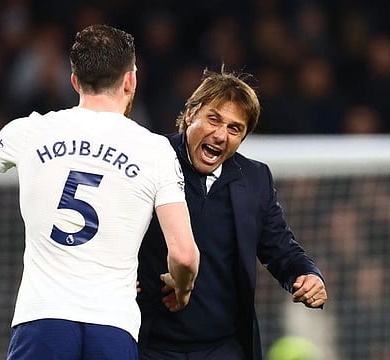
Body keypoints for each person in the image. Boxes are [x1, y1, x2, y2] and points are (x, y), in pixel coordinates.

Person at [0, 24, 200, 360]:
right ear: (130, 81)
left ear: (74, 81)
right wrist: (182, 288)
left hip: (41, 321)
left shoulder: (30, 131)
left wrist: (9, 152)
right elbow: (184, 255)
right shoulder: (155, 151)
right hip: (113, 326)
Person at [137, 67, 327, 360]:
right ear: (190, 115)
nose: (220, 135)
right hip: (149, 345)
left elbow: (281, 249)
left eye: (234, 128)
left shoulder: (254, 179)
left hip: (222, 348)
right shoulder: (148, 159)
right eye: (213, 119)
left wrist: (307, 274)